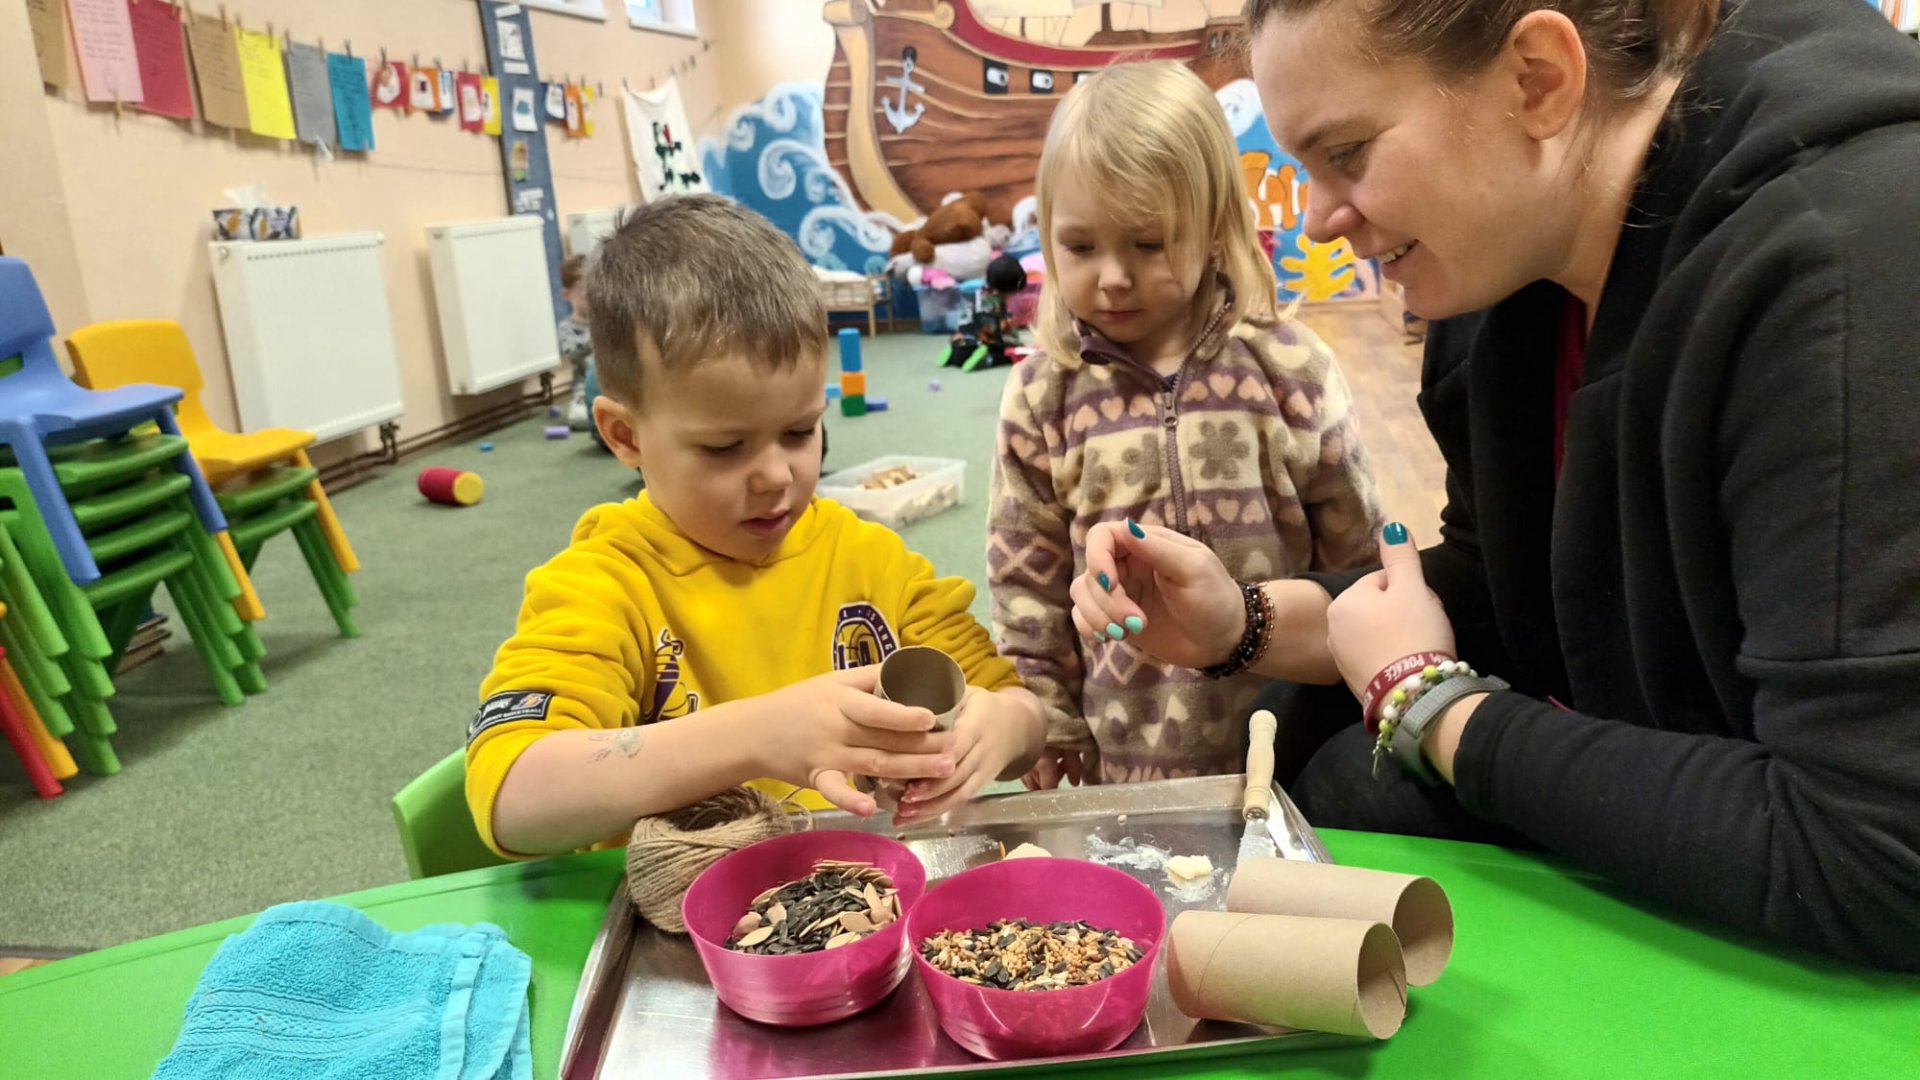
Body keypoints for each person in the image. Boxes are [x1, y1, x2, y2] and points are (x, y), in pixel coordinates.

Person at [1068, 0, 1920, 970]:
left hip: (1847, 899)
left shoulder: (1842, 268)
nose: (1317, 218)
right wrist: (1244, 624)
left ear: (1538, 80)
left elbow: (1879, 854)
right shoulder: (1507, 271)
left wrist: (1428, 702)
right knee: (1331, 763)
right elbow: (1509, 586)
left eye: (1347, 153)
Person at [466, 196, 1045, 857]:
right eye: (724, 447)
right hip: (686, 904)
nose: (775, 476)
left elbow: (1020, 712)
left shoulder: (870, 561)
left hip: (861, 891)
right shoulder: (606, 582)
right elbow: (510, 795)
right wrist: (757, 737)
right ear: (624, 436)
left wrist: (1001, 727)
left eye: (800, 431)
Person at [990, 60, 1384, 789]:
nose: (1113, 276)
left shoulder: (1291, 368)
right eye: (1080, 246)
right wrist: (1047, 712)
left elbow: (1358, 558)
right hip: (1127, 759)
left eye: (1148, 244)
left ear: (1213, 230)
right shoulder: (1042, 394)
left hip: (1295, 748)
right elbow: (1025, 578)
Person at [557, 255, 597, 432]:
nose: (588, 294)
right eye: (582, 289)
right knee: (580, 418)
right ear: (567, 294)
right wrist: (594, 338)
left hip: (613, 384)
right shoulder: (566, 328)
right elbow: (572, 353)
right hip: (584, 386)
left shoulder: (605, 320)